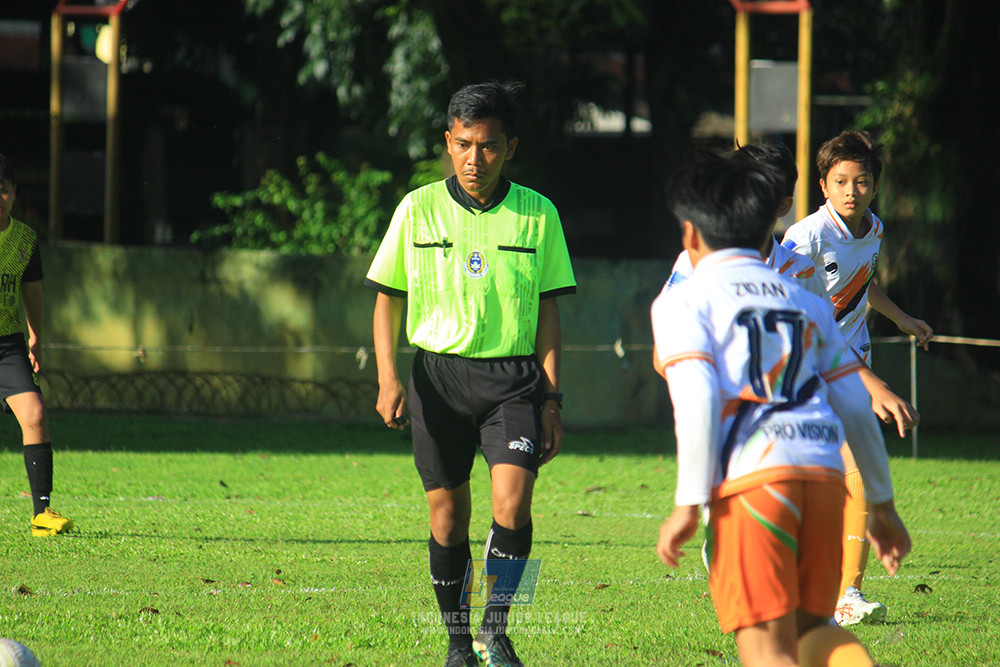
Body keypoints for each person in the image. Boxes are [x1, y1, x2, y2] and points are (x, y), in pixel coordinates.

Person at [652, 154, 911, 667]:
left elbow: (698, 399)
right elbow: (854, 408)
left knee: (766, 646)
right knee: (813, 629)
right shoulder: (807, 300)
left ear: (690, 235)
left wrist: (687, 504)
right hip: (821, 476)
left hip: (755, 483)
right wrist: (881, 504)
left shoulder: (688, 299)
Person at [365, 81, 576, 667]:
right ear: (448, 143)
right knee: (448, 516)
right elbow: (386, 298)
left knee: (514, 503)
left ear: (510, 147)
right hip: (438, 379)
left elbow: (551, 310)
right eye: (462, 145)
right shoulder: (417, 207)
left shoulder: (539, 214)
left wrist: (552, 398)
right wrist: (387, 378)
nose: (474, 159)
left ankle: (497, 630)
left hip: (513, 381)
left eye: (487, 146)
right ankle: (459, 643)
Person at [781, 130, 932, 625]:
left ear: (875, 186)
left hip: (849, 364)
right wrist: (870, 381)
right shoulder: (805, 237)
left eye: (862, 181)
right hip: (808, 366)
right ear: (823, 185)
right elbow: (801, 319)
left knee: (853, 474)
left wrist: (902, 318)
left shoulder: (874, 229)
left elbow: (864, 286)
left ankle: (846, 593)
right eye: (841, 180)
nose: (851, 190)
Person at [0, 153, 73, 537]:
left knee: (35, 414)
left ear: (13, 193)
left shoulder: (24, 239)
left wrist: (36, 338)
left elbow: (32, 292)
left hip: (7, 347)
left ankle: (42, 514)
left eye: (4, 190)